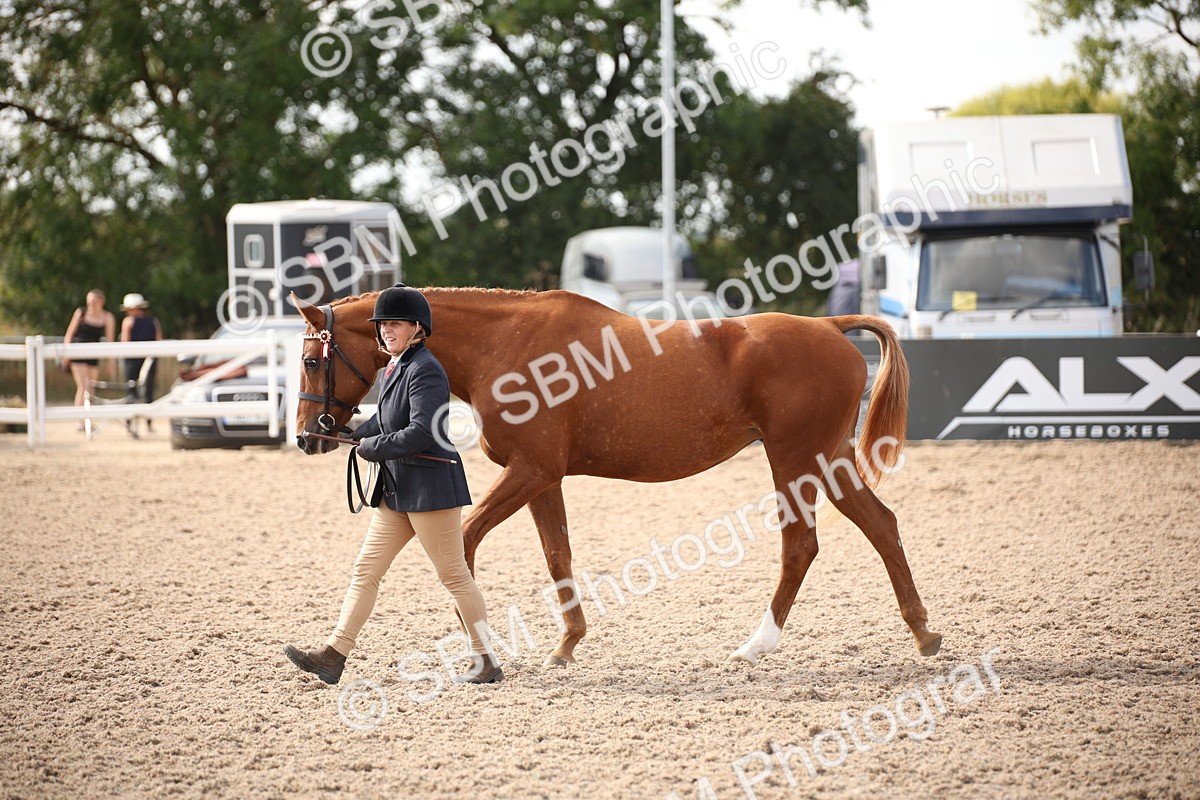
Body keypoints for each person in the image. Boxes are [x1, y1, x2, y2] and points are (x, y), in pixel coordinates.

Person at [284, 284, 502, 686]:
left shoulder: (427, 370)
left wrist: (371, 448)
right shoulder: (393, 367)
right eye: (383, 324)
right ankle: (334, 655)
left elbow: (420, 431)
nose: (386, 331)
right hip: (398, 487)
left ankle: (485, 658)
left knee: (454, 576)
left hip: (429, 486)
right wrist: (352, 434)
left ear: (418, 328)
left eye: (395, 324)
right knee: (365, 570)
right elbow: (385, 422)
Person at [62, 289, 117, 424]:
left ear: (101, 302)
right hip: (78, 353)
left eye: (94, 301)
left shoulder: (107, 317)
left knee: (91, 387)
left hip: (93, 354)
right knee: (83, 386)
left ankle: (88, 417)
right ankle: (79, 419)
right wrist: (66, 354)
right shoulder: (81, 313)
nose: (91, 304)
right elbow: (69, 334)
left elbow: (110, 340)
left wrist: (111, 361)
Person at [119, 293, 164, 433]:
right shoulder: (153, 321)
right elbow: (159, 340)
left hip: (132, 361)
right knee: (148, 391)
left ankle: (129, 422)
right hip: (149, 359)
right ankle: (149, 424)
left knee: (131, 390)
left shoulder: (128, 321)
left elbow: (125, 343)